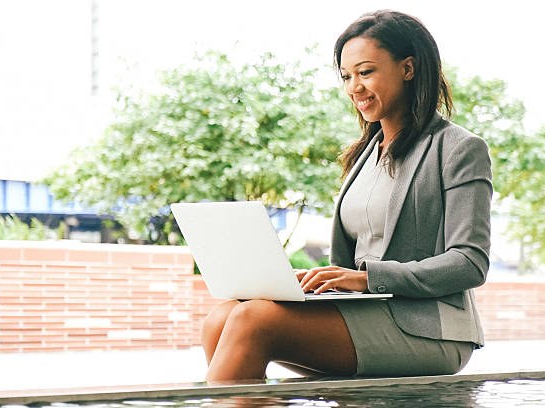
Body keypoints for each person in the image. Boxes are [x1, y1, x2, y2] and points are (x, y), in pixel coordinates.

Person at [201, 9, 492, 381]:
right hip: (363, 312)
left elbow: (470, 262)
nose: (354, 87)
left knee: (252, 321)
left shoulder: (458, 148)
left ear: (408, 68)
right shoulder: (366, 153)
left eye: (366, 72)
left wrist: (366, 278)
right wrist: (316, 282)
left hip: (429, 327)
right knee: (220, 318)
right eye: (346, 76)